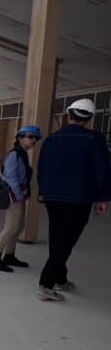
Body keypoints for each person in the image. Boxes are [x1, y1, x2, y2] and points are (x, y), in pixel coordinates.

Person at [36, 97, 111, 301]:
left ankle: (60, 278)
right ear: (89, 119)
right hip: (79, 198)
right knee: (65, 242)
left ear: (68, 115)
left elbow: (42, 168)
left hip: (53, 197)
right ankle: (46, 284)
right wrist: (103, 197)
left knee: (57, 238)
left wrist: (44, 191)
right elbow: (101, 171)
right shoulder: (94, 139)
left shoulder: (51, 139)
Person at [0, 124, 42, 273]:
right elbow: (11, 177)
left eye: (35, 138)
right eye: (30, 137)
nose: (33, 141)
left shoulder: (22, 153)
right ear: (20, 138)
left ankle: (9, 256)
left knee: (18, 227)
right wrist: (19, 196)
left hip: (20, 194)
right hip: (14, 196)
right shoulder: (15, 155)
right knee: (11, 228)